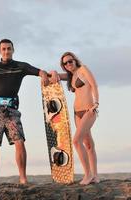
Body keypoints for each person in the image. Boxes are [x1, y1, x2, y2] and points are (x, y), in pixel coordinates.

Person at [0, 39, 49, 186]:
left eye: (9, 49)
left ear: (13, 50)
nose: (6, 51)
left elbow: (40, 71)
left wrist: (44, 76)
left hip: (12, 111)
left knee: (20, 142)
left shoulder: (21, 66)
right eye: (3, 49)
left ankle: (23, 178)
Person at [50, 52, 99, 185]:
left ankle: (88, 175)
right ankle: (95, 176)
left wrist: (96, 103)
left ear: (75, 60)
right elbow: (54, 77)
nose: (68, 64)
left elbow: (94, 85)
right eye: (65, 64)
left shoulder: (83, 69)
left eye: (70, 61)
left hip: (89, 110)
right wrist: (54, 71)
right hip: (77, 113)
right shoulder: (70, 76)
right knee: (88, 144)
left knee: (76, 141)